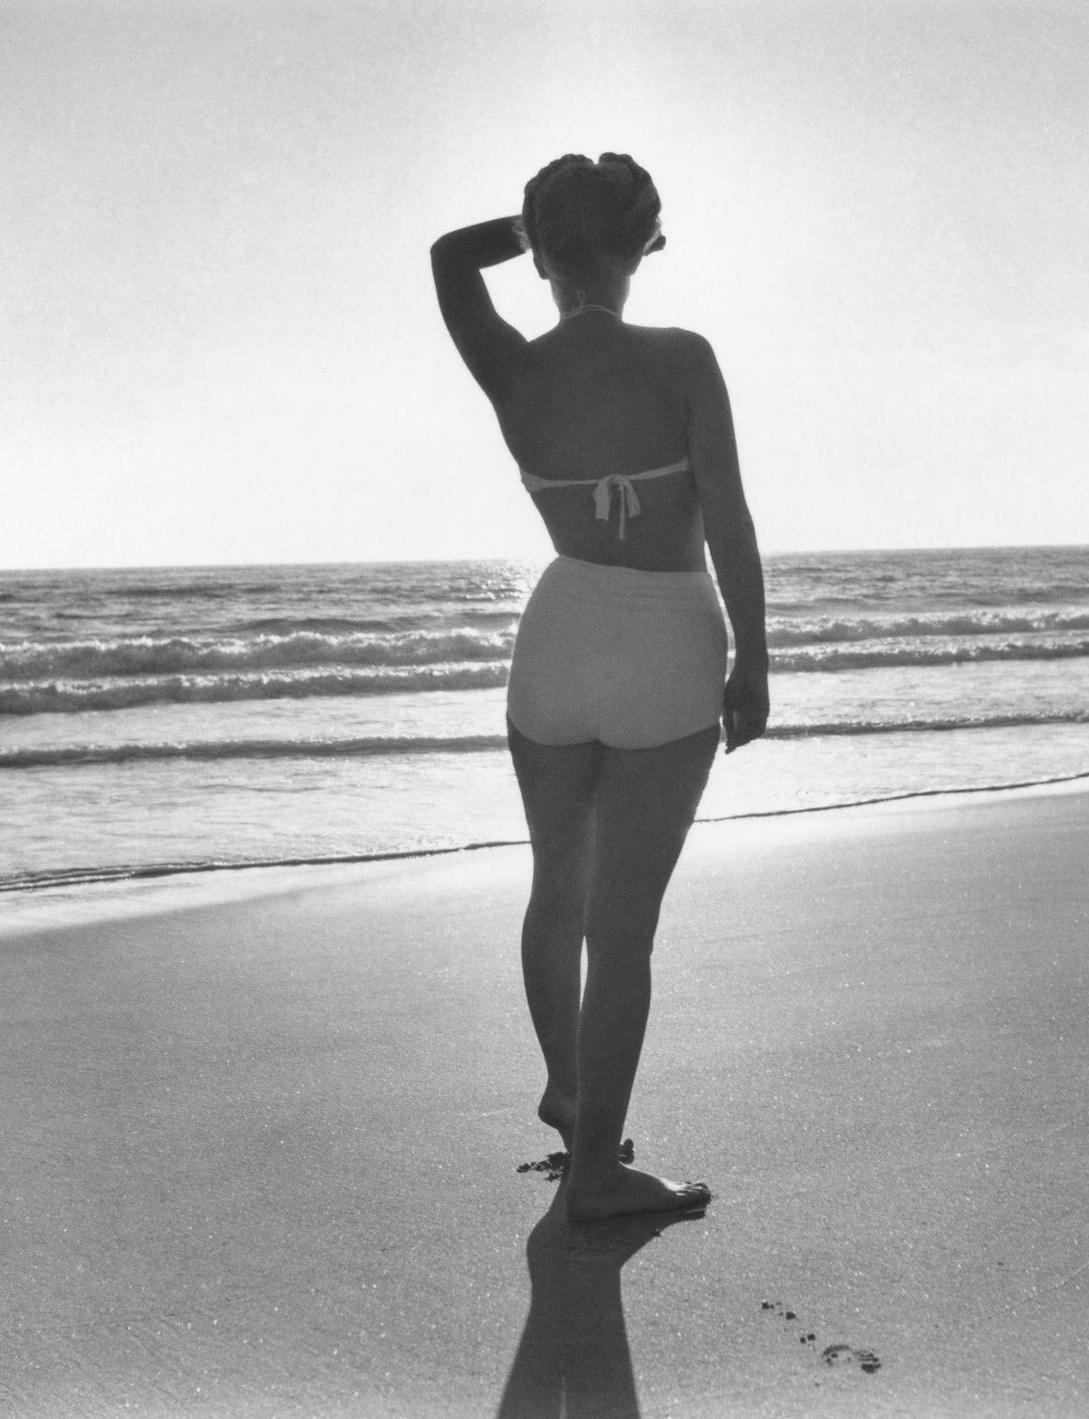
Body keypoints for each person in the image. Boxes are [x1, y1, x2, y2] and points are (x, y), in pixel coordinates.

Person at [431, 152, 769, 1221]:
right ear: (644, 247)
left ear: (541, 254)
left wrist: (544, 227)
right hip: (666, 638)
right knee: (621, 931)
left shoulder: (512, 369)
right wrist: (752, 657)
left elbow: (448, 256)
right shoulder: (682, 358)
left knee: (557, 894)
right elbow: (726, 519)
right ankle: (593, 1179)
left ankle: (573, 1098)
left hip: (559, 636)